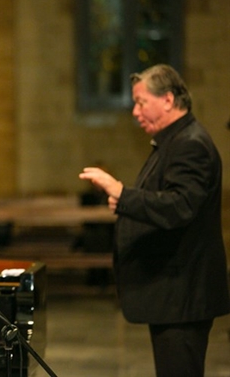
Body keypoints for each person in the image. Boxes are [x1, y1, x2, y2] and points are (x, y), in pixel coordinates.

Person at [79, 64, 230, 377]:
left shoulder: (190, 144)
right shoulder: (174, 140)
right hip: (173, 294)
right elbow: (166, 199)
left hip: (183, 295)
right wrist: (126, 203)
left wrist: (122, 194)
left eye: (141, 102)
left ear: (168, 100)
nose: (135, 111)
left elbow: (179, 206)